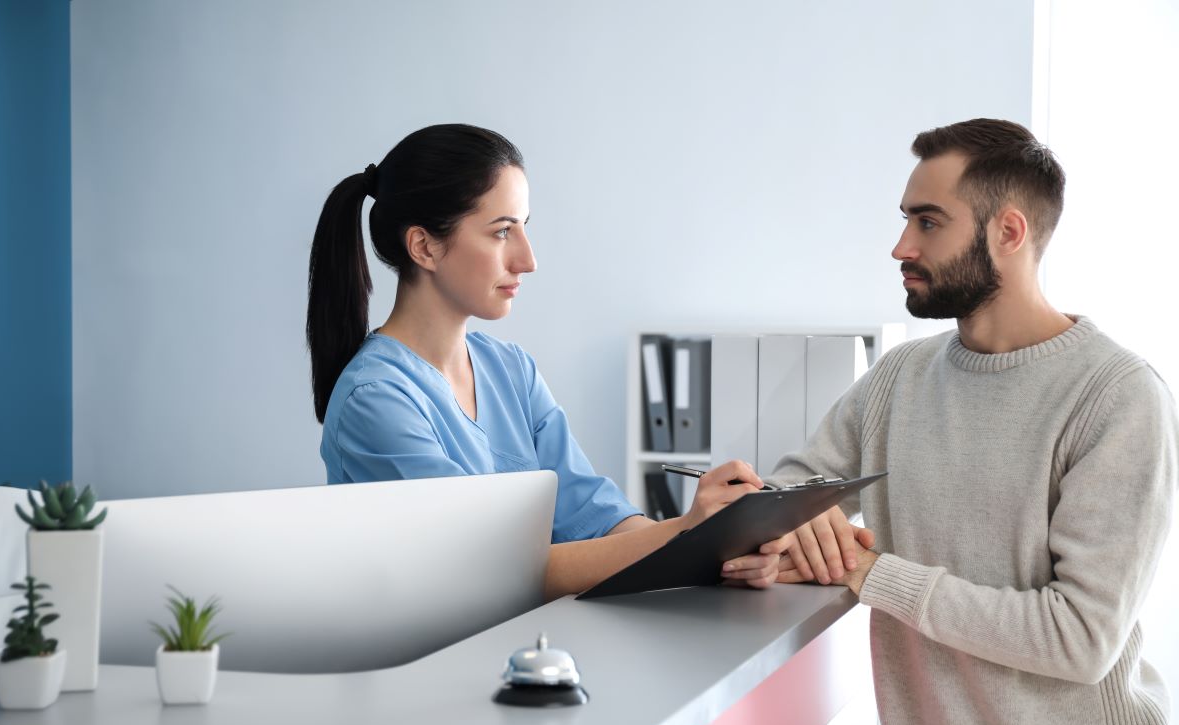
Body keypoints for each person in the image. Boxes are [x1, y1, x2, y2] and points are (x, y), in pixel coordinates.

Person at [755, 118, 1179, 725]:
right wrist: (773, 529)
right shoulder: (900, 379)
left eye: (928, 223)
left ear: (1008, 233)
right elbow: (790, 497)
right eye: (906, 220)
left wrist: (871, 572)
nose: (900, 246)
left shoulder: (1118, 398)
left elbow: (1078, 637)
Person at [305, 124, 839, 599]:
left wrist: (715, 547)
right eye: (501, 231)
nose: (528, 259)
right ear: (423, 247)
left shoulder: (511, 371)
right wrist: (684, 533)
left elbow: (596, 519)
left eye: (525, 227)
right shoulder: (375, 400)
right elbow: (493, 571)